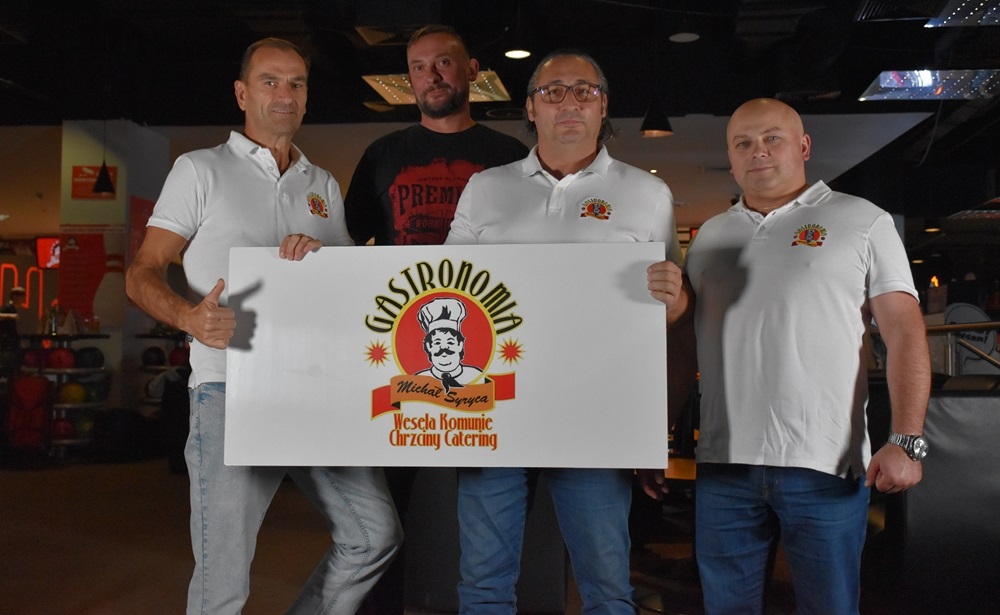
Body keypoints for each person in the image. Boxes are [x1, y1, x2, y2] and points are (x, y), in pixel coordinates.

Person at [125, 37, 401, 615]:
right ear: (241, 93)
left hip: (313, 388)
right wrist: (189, 317)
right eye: (270, 81)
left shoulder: (321, 184)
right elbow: (143, 271)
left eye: (297, 82)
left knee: (373, 535)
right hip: (230, 390)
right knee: (223, 581)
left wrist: (325, 260)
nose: (285, 94)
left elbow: (344, 288)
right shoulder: (199, 169)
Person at [644, 98, 930, 614]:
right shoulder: (709, 237)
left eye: (772, 138)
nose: (758, 151)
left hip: (825, 466)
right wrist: (653, 437)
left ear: (803, 146)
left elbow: (905, 332)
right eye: (743, 143)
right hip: (724, 465)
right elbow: (685, 343)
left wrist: (907, 439)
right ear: (731, 159)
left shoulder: (862, 220)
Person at [445, 49, 686, 613]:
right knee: (482, 585)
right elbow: (448, 290)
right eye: (553, 91)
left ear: (604, 106)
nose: (569, 102)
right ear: (531, 108)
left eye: (585, 90)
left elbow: (673, 315)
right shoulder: (485, 187)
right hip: (493, 412)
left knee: (606, 587)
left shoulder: (647, 193)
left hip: (596, 415)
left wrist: (676, 301)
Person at [343, 24, 528, 614]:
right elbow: (345, 250)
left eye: (444, 62)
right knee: (388, 506)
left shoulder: (511, 157)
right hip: (399, 352)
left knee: (491, 499)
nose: (431, 76)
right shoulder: (382, 154)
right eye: (419, 67)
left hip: (492, 347)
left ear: (471, 70)